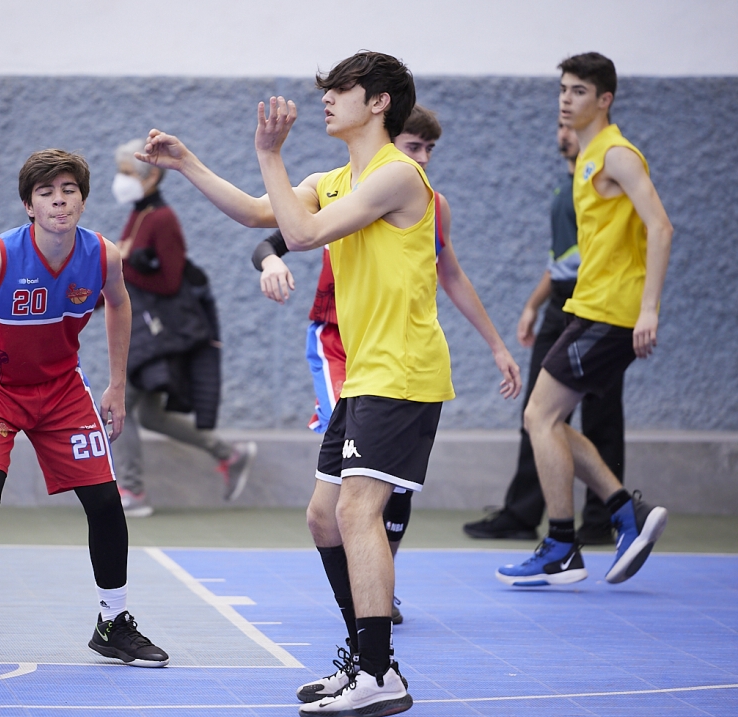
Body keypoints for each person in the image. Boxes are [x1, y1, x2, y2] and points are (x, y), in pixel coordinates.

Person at [138, 51, 519, 717]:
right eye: (327, 88)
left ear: (379, 102)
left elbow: (303, 233)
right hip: (366, 371)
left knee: (356, 511)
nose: (327, 97)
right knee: (324, 515)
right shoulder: (334, 179)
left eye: (342, 88)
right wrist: (188, 163)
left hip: (403, 370)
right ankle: (369, 659)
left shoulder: (398, 174)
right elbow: (260, 215)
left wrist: (269, 152)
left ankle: (377, 673)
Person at [252, 105, 521, 626]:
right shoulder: (339, 187)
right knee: (335, 508)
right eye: (414, 146)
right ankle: (368, 615)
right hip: (338, 343)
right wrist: (268, 256)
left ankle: (376, 607)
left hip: (393, 360)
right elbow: (276, 228)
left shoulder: (416, 194)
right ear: (389, 136)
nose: (422, 158)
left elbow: (451, 274)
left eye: (428, 149)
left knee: (365, 497)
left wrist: (497, 345)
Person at [0, 149, 168, 674]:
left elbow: (119, 303)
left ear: (82, 200)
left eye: (69, 190)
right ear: (29, 205)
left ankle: (113, 624)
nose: (59, 200)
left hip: (61, 388)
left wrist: (117, 384)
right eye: (46, 192)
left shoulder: (102, 255)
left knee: (105, 499)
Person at [497, 53, 674, 587]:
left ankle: (562, 544)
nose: (566, 99)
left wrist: (649, 309)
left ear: (604, 100)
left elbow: (661, 228)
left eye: (578, 91)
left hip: (613, 311)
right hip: (588, 305)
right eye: (563, 90)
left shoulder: (617, 155)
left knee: (540, 416)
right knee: (545, 417)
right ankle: (623, 512)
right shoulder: (588, 157)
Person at [464, 120, 622, 544]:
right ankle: (522, 512)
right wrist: (533, 305)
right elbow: (560, 260)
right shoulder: (565, 187)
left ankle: (601, 519)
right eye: (560, 126)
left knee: (602, 414)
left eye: (572, 126)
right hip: (560, 303)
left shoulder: (605, 182)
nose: (564, 133)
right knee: (537, 411)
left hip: (596, 304)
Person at [111, 138, 257, 518]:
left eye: (126, 173)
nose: (120, 181)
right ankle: (230, 454)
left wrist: (124, 264)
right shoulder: (139, 215)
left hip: (160, 335)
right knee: (150, 415)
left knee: (115, 406)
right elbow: (125, 276)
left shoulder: (162, 219)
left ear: (150, 176)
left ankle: (132, 490)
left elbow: (169, 282)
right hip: (145, 334)